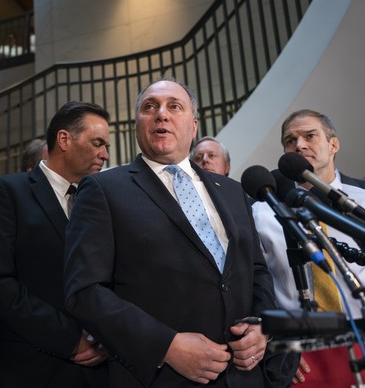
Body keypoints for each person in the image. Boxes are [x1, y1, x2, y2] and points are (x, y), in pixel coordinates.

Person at [64, 78, 294, 387]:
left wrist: (263, 325)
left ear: (194, 124)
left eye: (174, 106)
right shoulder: (103, 190)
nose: (161, 114)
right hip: (163, 377)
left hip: (245, 376)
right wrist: (166, 346)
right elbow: (85, 292)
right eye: (150, 107)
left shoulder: (233, 192)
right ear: (137, 124)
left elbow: (256, 270)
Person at [251, 109, 365, 387]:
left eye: (310, 136)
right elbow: (258, 284)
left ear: (333, 145)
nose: (299, 144)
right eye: (290, 141)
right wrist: (275, 346)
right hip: (301, 358)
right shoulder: (261, 214)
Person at [0, 101, 111, 387]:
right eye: (97, 143)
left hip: (99, 370)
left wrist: (107, 335)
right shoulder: (7, 192)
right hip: (31, 367)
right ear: (64, 139)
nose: (105, 154)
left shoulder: (102, 200)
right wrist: (71, 338)